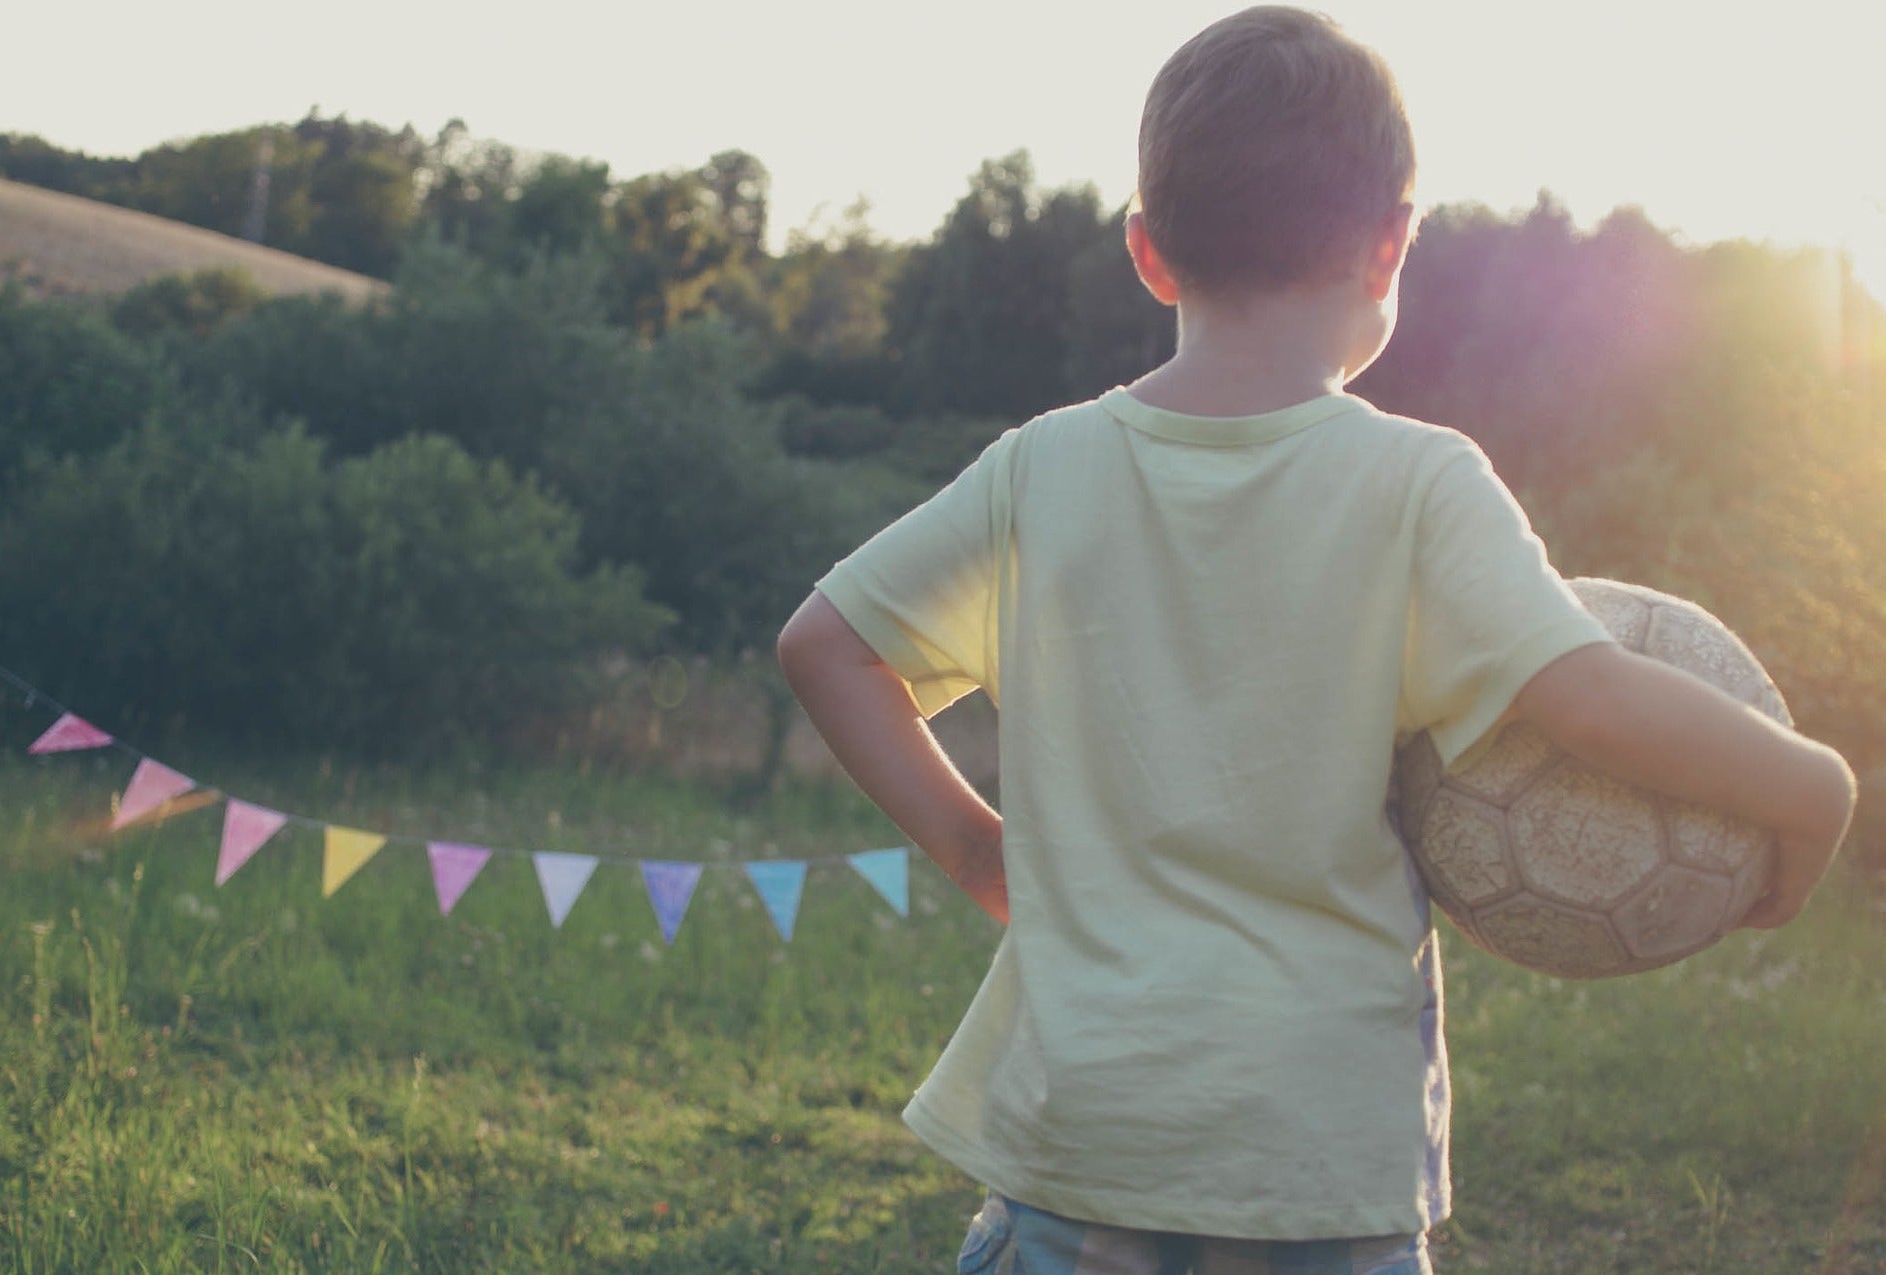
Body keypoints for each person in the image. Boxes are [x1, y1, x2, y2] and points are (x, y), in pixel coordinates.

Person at [776, 7, 1857, 1272]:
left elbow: (827, 643)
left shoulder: (1042, 468)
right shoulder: (1416, 484)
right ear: (1391, 242)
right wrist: (1813, 786)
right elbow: (1588, 697)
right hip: (1313, 1174)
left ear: (1147, 251)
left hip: (1077, 1149)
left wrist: (975, 846)